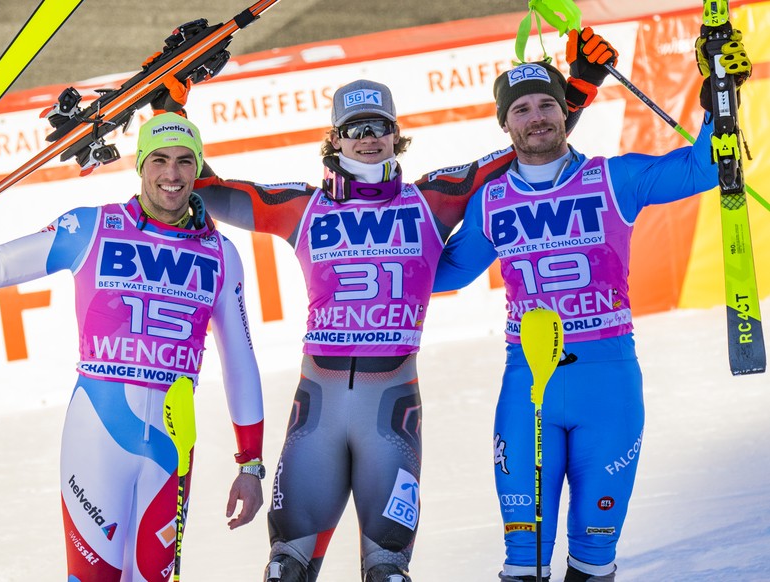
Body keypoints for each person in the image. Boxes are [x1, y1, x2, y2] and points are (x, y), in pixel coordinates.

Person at [181, 29, 617, 582]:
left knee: (387, 571)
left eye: (380, 128)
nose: (369, 139)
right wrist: (172, 103)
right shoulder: (301, 207)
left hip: (393, 416)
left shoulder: (432, 198)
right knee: (285, 569)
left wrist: (577, 86)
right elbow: (201, 187)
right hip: (315, 413)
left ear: (396, 137)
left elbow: (530, 142)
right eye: (356, 129)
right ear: (335, 140)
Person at [431, 30, 752, 582]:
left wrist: (719, 90)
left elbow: (703, 168)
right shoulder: (492, 201)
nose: (537, 117)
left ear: (564, 112)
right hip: (528, 388)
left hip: (609, 386)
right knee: (524, 564)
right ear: (505, 125)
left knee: (592, 562)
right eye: (523, 109)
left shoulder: (613, 178)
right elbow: (439, 275)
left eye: (547, 104)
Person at [0, 112, 266, 581]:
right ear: (140, 166)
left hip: (173, 445)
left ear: (197, 168)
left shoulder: (221, 253)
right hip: (98, 434)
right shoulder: (90, 227)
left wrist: (251, 464)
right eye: (159, 160)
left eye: (184, 162)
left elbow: (240, 362)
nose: (172, 175)